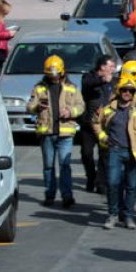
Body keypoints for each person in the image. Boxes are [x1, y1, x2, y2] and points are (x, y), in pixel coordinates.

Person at [96, 75, 136, 230]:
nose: (127, 93)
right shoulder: (109, 109)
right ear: (119, 91)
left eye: (130, 90)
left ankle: (128, 216)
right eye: (124, 90)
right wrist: (103, 137)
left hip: (133, 152)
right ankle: (113, 215)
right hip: (114, 150)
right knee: (113, 183)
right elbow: (96, 122)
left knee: (131, 185)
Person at [28, 55, 85, 208]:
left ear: (61, 72)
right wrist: (37, 106)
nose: (53, 77)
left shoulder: (71, 88)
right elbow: (29, 107)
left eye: (55, 74)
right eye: (50, 75)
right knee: (48, 166)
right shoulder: (39, 88)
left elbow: (81, 106)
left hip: (65, 133)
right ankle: (50, 195)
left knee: (64, 165)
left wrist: (70, 112)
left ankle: (67, 196)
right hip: (47, 132)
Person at [80, 55, 116, 193]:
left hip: (104, 124)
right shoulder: (89, 77)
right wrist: (102, 80)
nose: (113, 70)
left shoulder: (113, 81)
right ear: (102, 67)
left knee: (104, 154)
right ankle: (91, 177)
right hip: (88, 123)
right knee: (86, 153)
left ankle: (101, 183)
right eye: (110, 67)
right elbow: (88, 84)